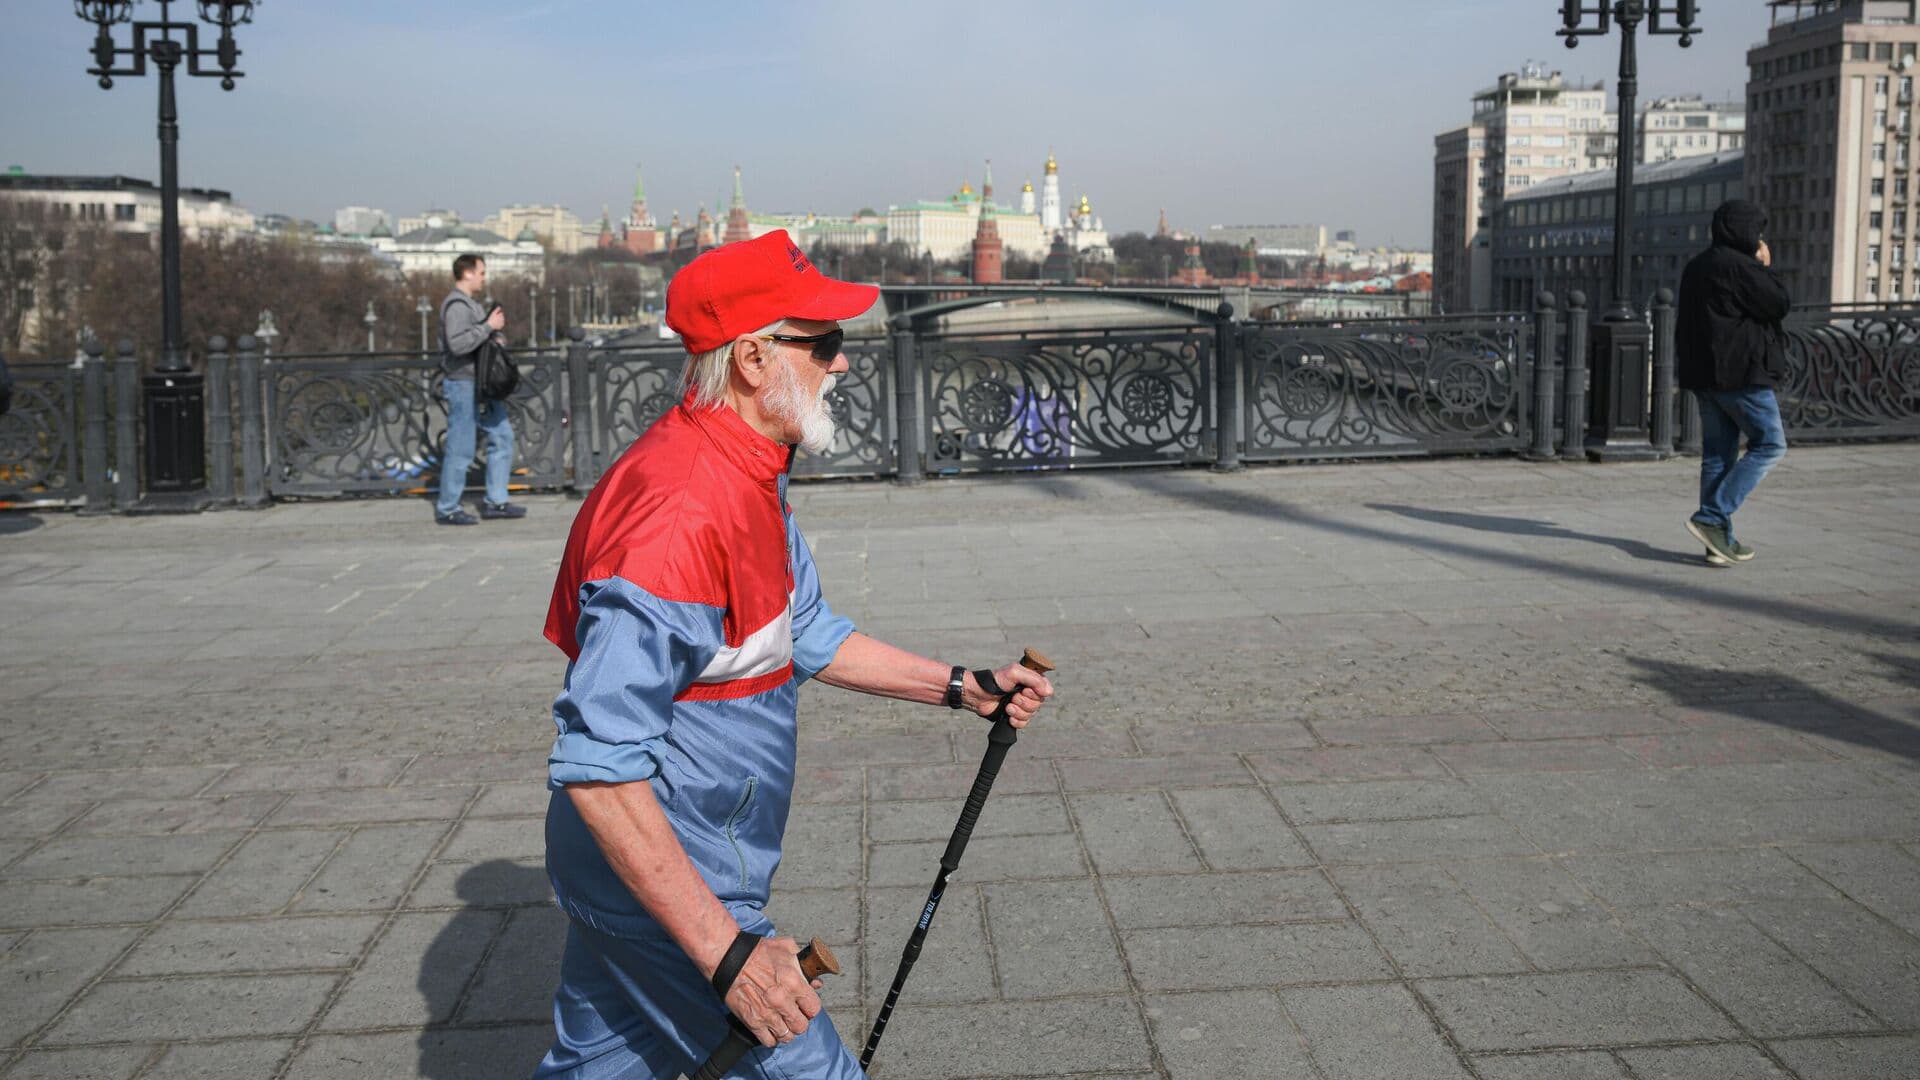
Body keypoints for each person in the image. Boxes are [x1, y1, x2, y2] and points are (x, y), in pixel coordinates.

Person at [533, 230, 1053, 1079]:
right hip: (675, 876)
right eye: (824, 343)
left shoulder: (744, 469)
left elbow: (803, 632)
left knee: (600, 1067)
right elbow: (598, 767)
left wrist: (963, 687)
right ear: (752, 359)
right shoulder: (679, 516)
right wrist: (727, 955)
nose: (841, 363)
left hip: (648, 867)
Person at [1675, 198, 1791, 567]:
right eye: (1757, 230)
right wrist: (1765, 268)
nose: (1760, 238)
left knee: (1717, 457)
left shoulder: (1697, 266)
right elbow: (1777, 303)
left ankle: (1718, 543)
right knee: (1770, 444)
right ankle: (1711, 517)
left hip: (1704, 376)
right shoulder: (1740, 267)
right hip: (1741, 374)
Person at [435, 253, 524, 525]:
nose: (484, 278)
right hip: (463, 382)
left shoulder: (470, 304)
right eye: (482, 272)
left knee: (503, 436)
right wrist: (487, 327)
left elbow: (477, 339)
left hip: (481, 384)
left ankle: (495, 501)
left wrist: (494, 335)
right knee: (461, 447)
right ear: (467, 273)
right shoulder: (456, 306)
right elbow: (457, 345)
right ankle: (448, 508)